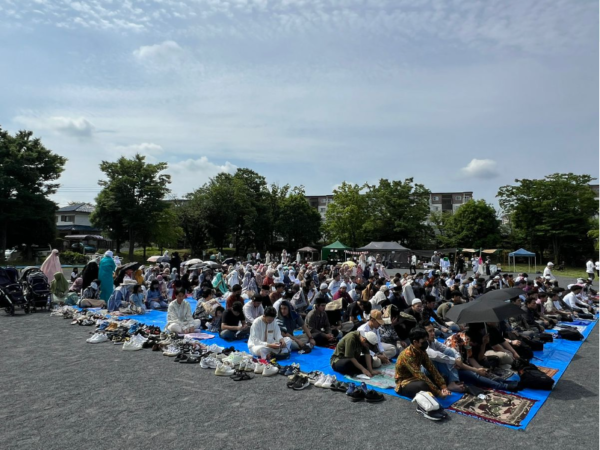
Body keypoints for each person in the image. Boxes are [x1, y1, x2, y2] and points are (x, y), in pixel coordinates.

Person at [445, 331, 519, 392]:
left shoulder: (467, 341)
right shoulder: (454, 342)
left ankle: (504, 381)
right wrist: (476, 370)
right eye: (474, 344)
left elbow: (470, 358)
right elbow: (458, 364)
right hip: (452, 369)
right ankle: (503, 386)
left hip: (463, 364)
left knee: (485, 371)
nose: (473, 346)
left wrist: (480, 368)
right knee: (474, 375)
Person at [394, 327, 450, 399]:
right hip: (405, 382)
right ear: (415, 342)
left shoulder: (421, 350)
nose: (425, 343)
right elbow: (420, 375)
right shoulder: (407, 355)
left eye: (426, 340)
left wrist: (443, 386)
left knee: (443, 377)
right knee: (423, 385)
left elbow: (431, 368)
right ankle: (433, 393)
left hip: (416, 378)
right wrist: (438, 393)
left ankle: (435, 392)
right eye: (423, 342)